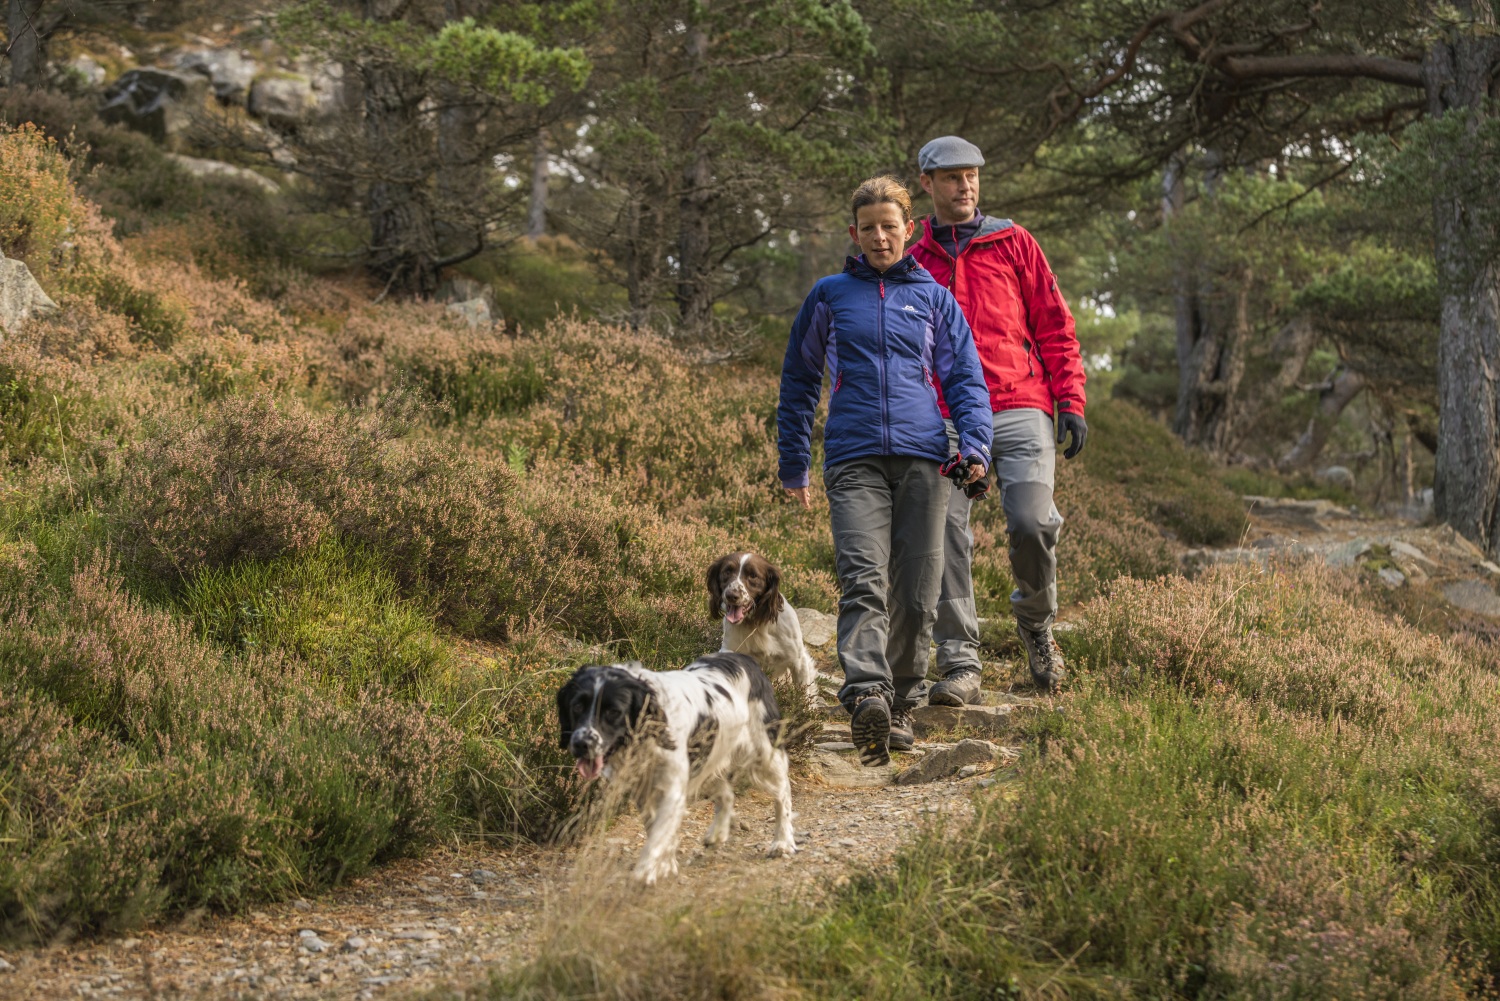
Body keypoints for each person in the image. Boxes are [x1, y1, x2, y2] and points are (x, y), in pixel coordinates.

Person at [778, 175, 994, 767]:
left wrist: (975, 448)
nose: (879, 237)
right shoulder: (829, 295)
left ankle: (900, 701)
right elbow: (799, 382)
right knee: (863, 578)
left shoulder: (933, 300)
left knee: (920, 592)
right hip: (852, 458)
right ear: (854, 233)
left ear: (909, 229)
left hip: (927, 459)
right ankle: (867, 691)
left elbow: (966, 381)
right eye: (868, 228)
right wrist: (794, 463)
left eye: (889, 227)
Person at [909, 136, 1088, 701]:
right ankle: (960, 663)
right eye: (953, 177)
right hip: (948, 420)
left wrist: (1071, 402)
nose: (965, 186)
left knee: (1033, 523)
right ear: (927, 185)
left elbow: (1055, 325)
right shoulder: (911, 260)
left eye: (973, 176)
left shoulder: (1014, 242)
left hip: (1019, 405)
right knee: (943, 534)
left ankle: (1037, 626)